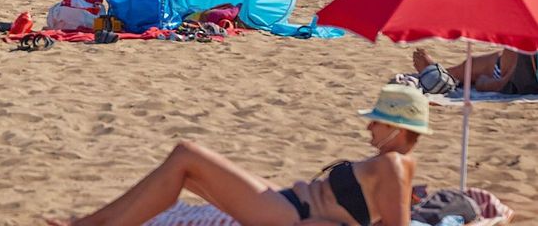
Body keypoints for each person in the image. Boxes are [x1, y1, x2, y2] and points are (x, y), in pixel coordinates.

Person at [59, 83, 428, 226]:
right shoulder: (400, 167)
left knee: (186, 155)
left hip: (291, 214)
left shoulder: (393, 165)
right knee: (186, 173)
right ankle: (92, 222)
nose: (368, 129)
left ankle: (94, 225)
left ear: (397, 127)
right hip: (288, 203)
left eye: (375, 122)